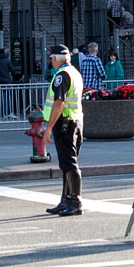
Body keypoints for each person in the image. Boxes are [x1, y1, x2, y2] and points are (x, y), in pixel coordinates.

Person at [40, 45, 85, 216]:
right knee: (66, 163)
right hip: (75, 121)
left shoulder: (62, 75)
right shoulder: (74, 72)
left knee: (69, 163)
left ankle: (75, 201)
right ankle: (66, 199)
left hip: (65, 123)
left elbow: (59, 103)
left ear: (54, 59)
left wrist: (48, 128)